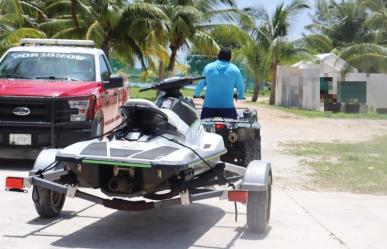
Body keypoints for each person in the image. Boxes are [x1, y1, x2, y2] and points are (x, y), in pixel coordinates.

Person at [194, 48, 245, 119]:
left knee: (202, 126)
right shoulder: (235, 69)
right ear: (230, 58)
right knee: (233, 127)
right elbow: (241, 86)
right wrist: (241, 96)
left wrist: (196, 94)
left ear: (218, 56)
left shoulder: (208, 67)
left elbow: (201, 84)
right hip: (227, 109)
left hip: (208, 108)